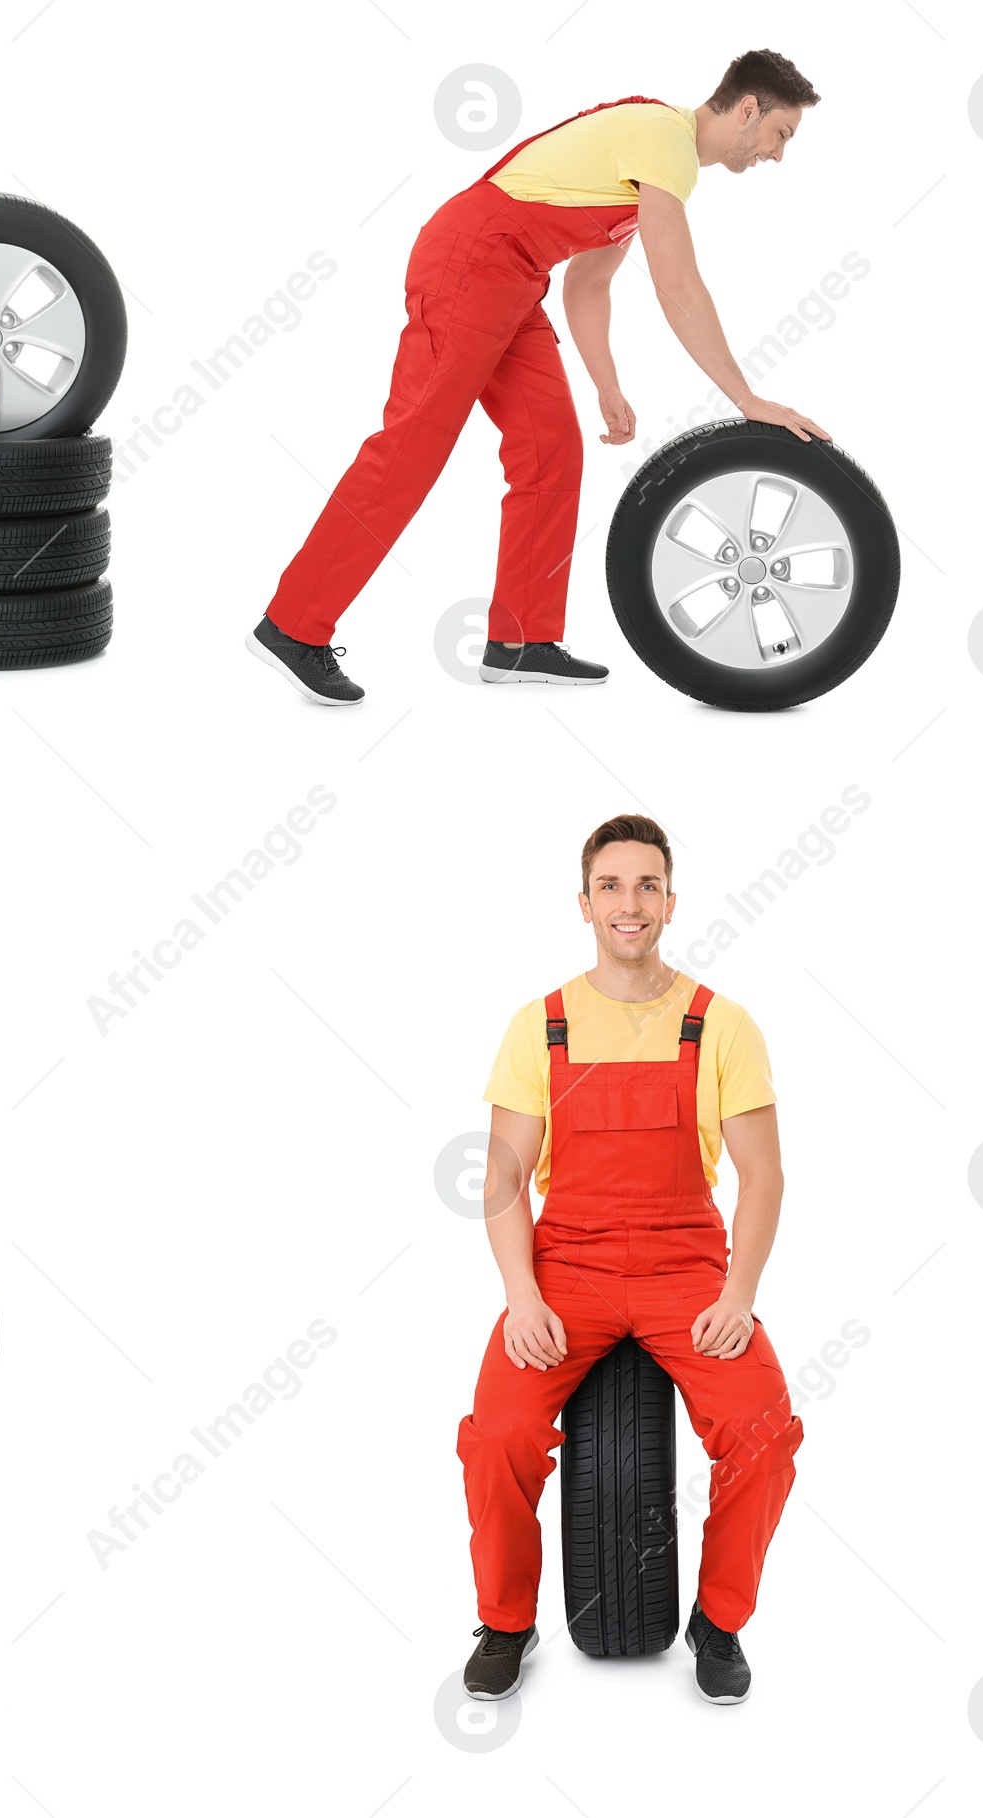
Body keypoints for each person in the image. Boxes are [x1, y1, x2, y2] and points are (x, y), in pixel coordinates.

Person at [249, 49, 830, 705]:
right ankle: (293, 626)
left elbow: (589, 282)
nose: (777, 154)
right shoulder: (662, 139)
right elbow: (678, 284)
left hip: (514, 281)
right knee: (413, 447)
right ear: (748, 108)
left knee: (550, 447)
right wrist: (747, 397)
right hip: (472, 262)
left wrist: (606, 385)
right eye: (782, 133)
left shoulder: (653, 160)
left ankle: (521, 640)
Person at [456, 814, 801, 1704]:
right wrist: (522, 1296)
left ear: (672, 901)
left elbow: (761, 1177)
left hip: (687, 1271)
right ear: (583, 903)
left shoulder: (719, 1025)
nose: (630, 903)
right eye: (611, 885)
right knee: (495, 1436)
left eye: (647, 884)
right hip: (566, 1268)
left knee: (764, 1435)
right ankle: (506, 1622)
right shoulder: (543, 1025)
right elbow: (501, 1178)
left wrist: (739, 1293)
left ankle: (719, 1623)